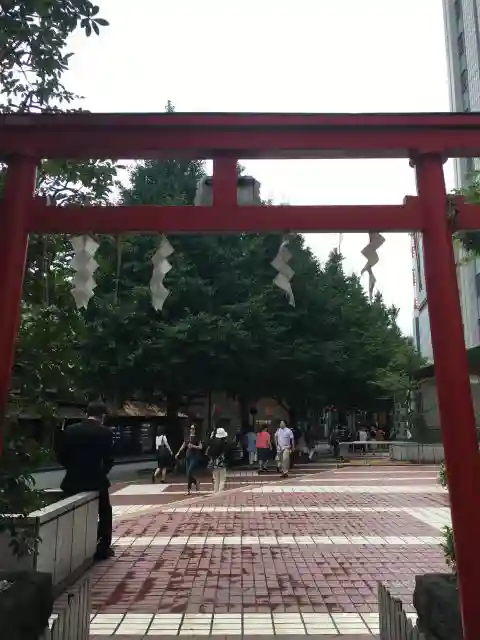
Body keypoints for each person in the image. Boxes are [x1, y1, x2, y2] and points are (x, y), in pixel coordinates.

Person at [56, 400, 114, 562]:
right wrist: (99, 472)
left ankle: (67, 545)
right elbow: (109, 460)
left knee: (69, 513)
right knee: (105, 513)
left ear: (87, 413)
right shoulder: (105, 433)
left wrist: (73, 468)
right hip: (96, 481)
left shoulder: (71, 430)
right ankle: (103, 547)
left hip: (72, 480)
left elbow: (61, 456)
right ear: (102, 416)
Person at [175, 424, 203, 494]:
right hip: (188, 456)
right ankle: (191, 488)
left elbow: (200, 447)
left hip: (195, 456)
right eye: (191, 428)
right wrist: (178, 452)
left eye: (193, 428)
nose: (191, 430)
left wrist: (193, 446)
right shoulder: (187, 436)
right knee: (187, 474)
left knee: (189, 471)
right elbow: (183, 445)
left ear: (195, 430)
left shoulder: (197, 437)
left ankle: (193, 484)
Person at [208, 427, 230, 492]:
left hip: (214, 462)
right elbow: (227, 453)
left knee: (216, 480)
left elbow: (209, 451)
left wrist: (211, 437)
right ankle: (220, 493)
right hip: (222, 462)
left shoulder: (213, 443)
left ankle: (215, 492)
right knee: (222, 479)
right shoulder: (225, 443)